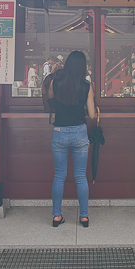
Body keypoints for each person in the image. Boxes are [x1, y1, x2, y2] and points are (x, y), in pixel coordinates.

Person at [45, 50, 96, 227]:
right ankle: (84, 216)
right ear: (83, 67)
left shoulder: (55, 82)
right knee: (81, 176)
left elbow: (50, 97)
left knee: (59, 176)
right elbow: (91, 114)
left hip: (59, 131)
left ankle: (57, 216)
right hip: (79, 132)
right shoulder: (87, 86)